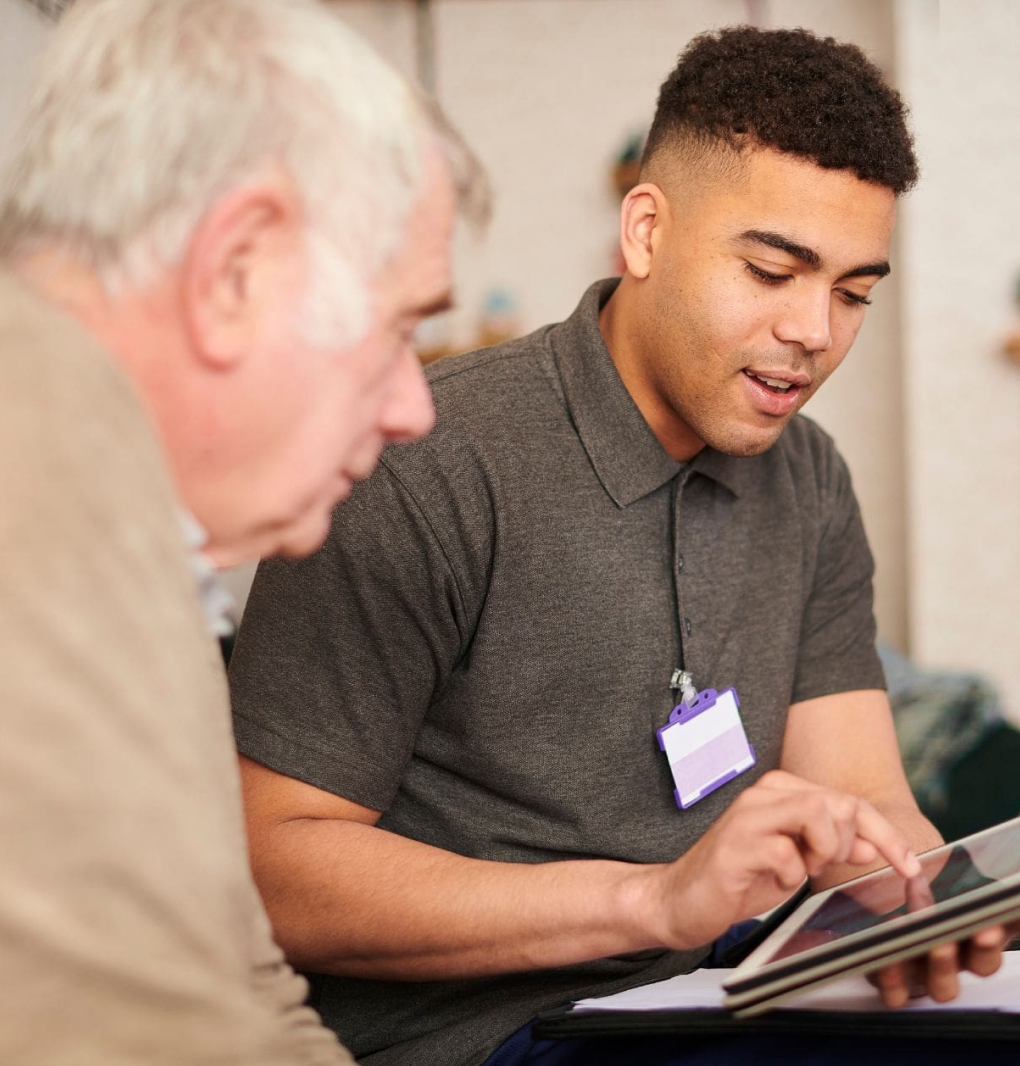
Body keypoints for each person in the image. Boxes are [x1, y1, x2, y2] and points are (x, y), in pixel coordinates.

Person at [227, 25, 1016, 1066]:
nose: (815, 331)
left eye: (854, 291)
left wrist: (926, 899)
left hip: (725, 983)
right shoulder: (420, 461)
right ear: (645, 232)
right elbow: (269, 877)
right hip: (484, 1033)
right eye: (773, 269)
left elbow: (865, 794)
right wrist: (654, 902)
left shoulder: (809, 476)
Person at [0, 1, 487, 1063]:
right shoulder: (5, 509)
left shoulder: (95, 477)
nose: (414, 407)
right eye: (400, 326)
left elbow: (237, 977)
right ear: (236, 270)